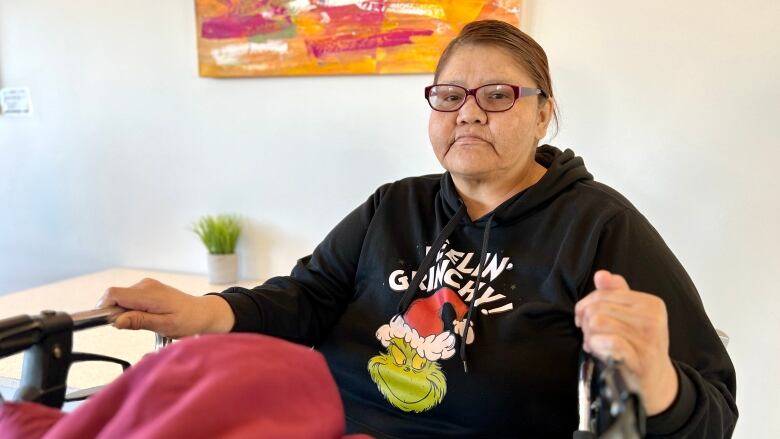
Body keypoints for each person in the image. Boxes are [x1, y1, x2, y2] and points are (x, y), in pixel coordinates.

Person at [97, 20, 737, 438]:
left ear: (545, 115)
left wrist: (656, 379)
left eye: (498, 96)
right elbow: (307, 298)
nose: (468, 113)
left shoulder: (599, 226)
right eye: (450, 95)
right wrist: (201, 311)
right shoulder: (393, 206)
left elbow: (714, 407)